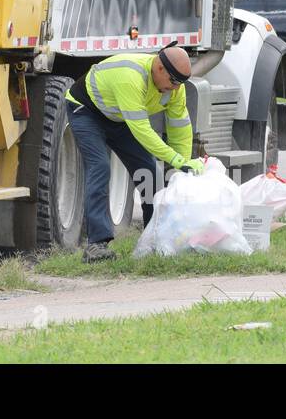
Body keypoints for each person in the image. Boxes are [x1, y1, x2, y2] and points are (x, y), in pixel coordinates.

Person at [66, 41, 202, 262]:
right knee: (100, 167)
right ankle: (96, 246)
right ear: (159, 68)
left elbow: (179, 128)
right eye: (173, 81)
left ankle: (156, 238)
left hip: (118, 116)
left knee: (150, 174)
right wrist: (175, 158)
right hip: (86, 111)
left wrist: (183, 166)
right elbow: (142, 131)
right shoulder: (131, 76)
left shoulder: (176, 90)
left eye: (180, 83)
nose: (176, 88)